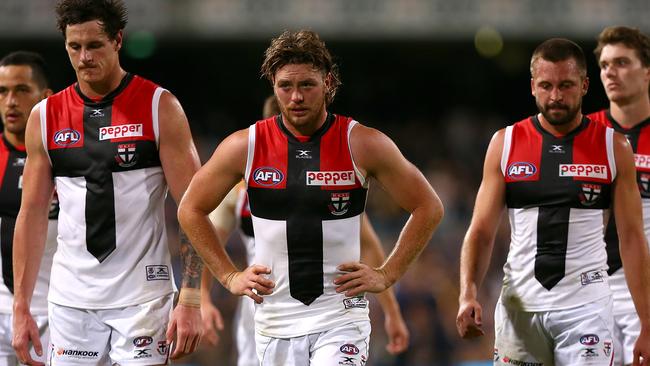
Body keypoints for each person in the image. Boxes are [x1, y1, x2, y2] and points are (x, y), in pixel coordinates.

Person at [178, 30, 443, 365]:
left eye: (307, 85)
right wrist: (229, 276)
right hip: (274, 322)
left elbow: (428, 206)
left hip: (341, 318)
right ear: (273, 85)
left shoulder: (361, 143)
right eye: (285, 86)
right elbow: (190, 209)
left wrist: (387, 274)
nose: (296, 97)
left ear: (328, 82)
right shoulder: (245, 147)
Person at [11, 1, 204, 365]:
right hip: (71, 301)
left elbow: (193, 208)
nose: (84, 57)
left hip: (144, 299)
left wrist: (191, 297)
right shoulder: (45, 116)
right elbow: (32, 213)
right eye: (74, 47)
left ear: (117, 40)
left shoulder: (159, 106)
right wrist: (22, 307)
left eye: (94, 45)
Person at [456, 38, 650, 365]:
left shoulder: (613, 147)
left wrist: (646, 321)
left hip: (586, 309)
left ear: (585, 85)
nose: (556, 96)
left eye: (566, 85)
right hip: (520, 309)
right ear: (533, 86)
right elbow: (481, 230)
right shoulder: (505, 143)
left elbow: (631, 238)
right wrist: (467, 294)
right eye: (546, 85)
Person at [199, 95, 410, 365]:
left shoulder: (329, 183)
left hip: (330, 307)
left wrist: (391, 307)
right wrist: (205, 293)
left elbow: (368, 243)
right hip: (264, 301)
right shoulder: (239, 189)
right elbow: (208, 231)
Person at [587, 26, 650, 366]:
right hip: (591, 289)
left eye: (622, 62)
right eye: (605, 64)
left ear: (647, 73)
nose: (611, 71)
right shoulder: (583, 136)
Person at [0, 51, 55, 366]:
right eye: (3, 91)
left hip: (61, 309)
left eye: (21, 90)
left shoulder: (69, 159)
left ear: (45, 97)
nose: (10, 101)